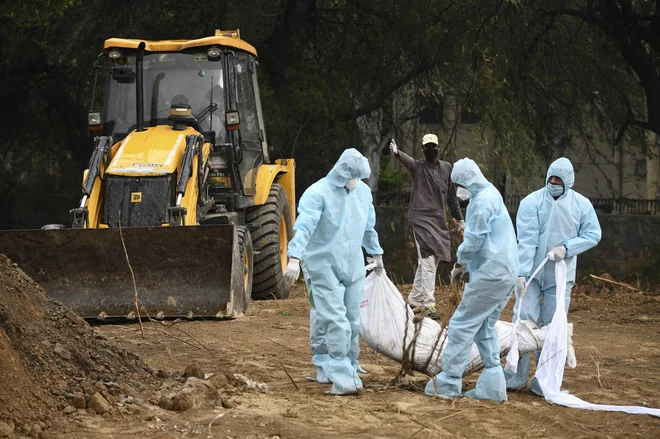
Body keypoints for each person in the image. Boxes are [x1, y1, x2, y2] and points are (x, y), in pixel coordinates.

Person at [284, 148, 384, 395]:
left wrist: (376, 253)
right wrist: (295, 256)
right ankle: (337, 371)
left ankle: (348, 363)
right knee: (334, 318)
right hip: (322, 264)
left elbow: (368, 225)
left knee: (351, 319)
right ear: (341, 171)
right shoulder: (318, 193)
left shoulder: (362, 192)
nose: (356, 181)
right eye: (353, 176)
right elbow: (305, 226)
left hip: (353, 264)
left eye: (359, 178)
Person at [505, 157, 601, 395]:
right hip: (533, 274)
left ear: (568, 181)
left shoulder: (582, 204)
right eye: (551, 179)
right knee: (524, 322)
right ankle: (516, 376)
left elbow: (593, 234)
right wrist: (522, 274)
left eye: (559, 180)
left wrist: (567, 247)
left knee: (552, 326)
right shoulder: (531, 202)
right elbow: (526, 240)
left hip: (560, 277)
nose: (555, 183)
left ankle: (544, 380)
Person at [425, 158, 518, 402]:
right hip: (504, 273)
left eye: (459, 184)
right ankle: (493, 386)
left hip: (491, 275)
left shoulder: (481, 202)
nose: (458, 191)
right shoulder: (491, 194)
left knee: (461, 324)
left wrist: (459, 263)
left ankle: (449, 381)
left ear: (467, 180)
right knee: (485, 328)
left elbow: (474, 241)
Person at [390, 134, 464, 319]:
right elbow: (408, 161)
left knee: (430, 262)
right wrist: (397, 153)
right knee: (429, 261)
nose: (430, 149)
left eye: (433, 146)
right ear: (423, 149)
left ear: (438, 148)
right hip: (420, 220)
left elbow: (452, 197)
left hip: (438, 221)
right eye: (427, 147)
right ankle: (428, 305)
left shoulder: (446, 168)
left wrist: (460, 219)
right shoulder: (418, 166)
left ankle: (415, 300)